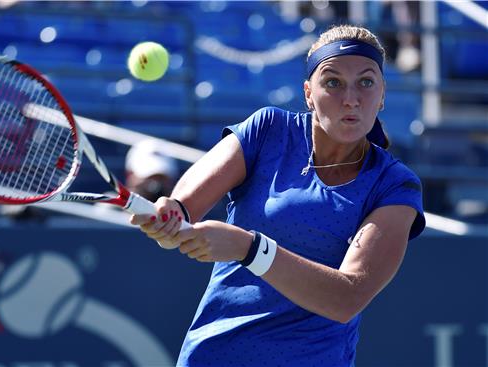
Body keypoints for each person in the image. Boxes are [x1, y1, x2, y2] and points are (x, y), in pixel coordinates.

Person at [131, 24, 426, 366]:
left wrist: (249, 248)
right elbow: (185, 206)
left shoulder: (395, 185)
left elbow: (347, 297)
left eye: (366, 82)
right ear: (308, 93)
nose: (351, 98)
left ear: (382, 94)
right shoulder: (268, 130)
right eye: (333, 82)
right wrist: (172, 218)